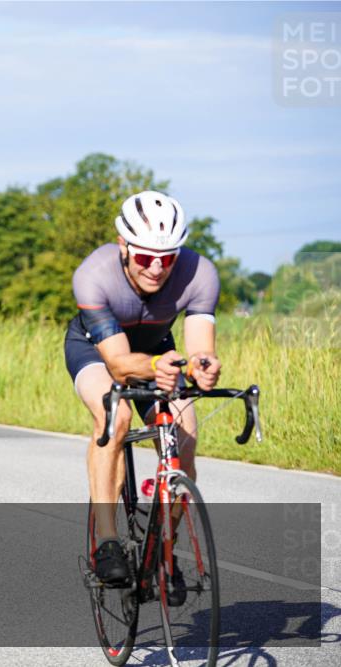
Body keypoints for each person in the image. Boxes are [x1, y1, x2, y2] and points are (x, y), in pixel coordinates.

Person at [65, 191, 222, 589]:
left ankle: (163, 547)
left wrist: (204, 366)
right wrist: (154, 367)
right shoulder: (93, 274)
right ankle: (107, 542)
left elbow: (200, 345)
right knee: (114, 416)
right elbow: (118, 364)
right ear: (124, 245)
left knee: (185, 431)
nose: (156, 267)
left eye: (167, 257)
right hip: (97, 351)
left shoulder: (200, 273)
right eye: (145, 256)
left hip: (156, 349)